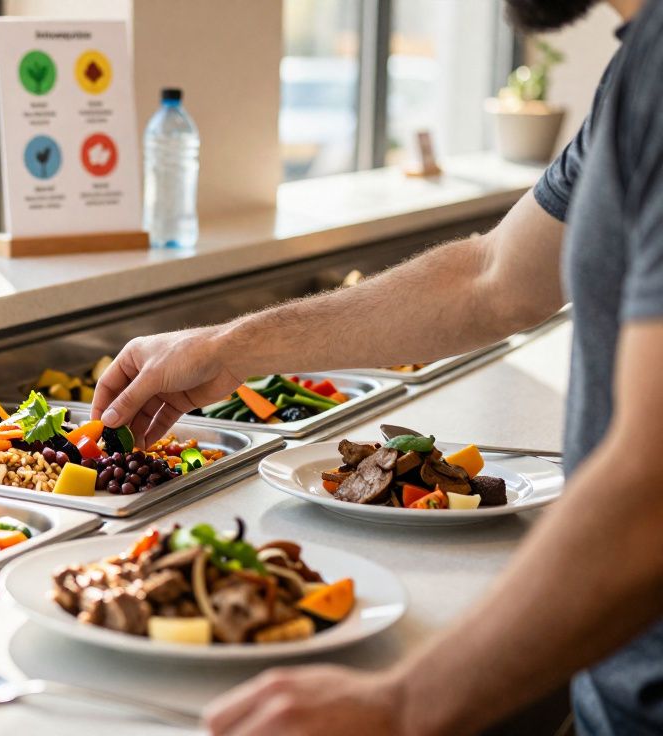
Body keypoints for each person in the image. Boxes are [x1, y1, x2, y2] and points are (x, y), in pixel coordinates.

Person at [91, 0, 663, 732]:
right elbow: (492, 278)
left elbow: (653, 487)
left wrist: (403, 703)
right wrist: (228, 348)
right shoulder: (636, 70)